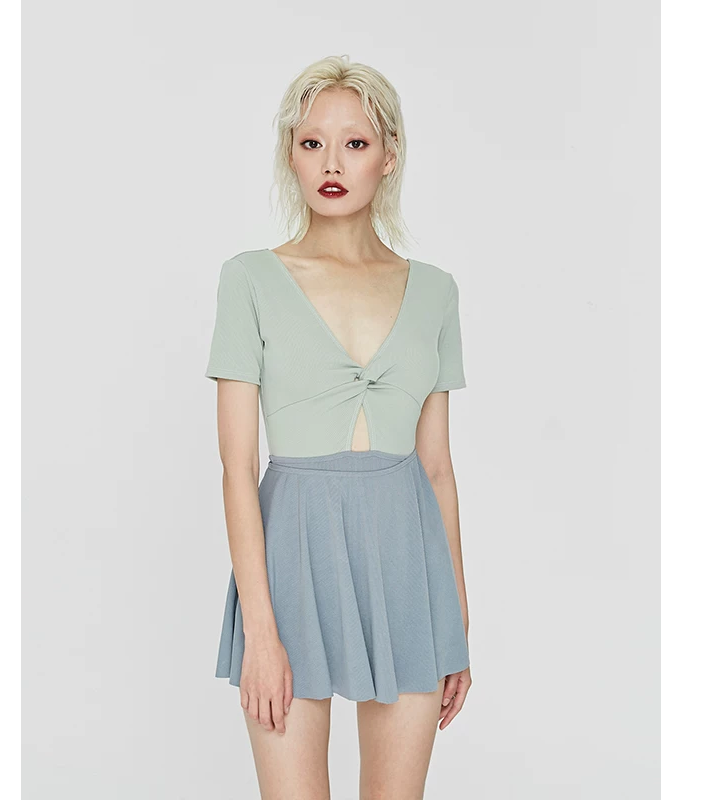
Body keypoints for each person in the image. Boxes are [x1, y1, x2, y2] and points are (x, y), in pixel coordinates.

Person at [205, 54, 472, 799]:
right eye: (311, 142)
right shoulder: (249, 279)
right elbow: (236, 467)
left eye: (355, 143)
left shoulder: (435, 292)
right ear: (290, 154)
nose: (331, 163)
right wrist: (261, 631)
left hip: (409, 568)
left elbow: (438, 468)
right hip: (290, 563)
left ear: (389, 156)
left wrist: (456, 620)